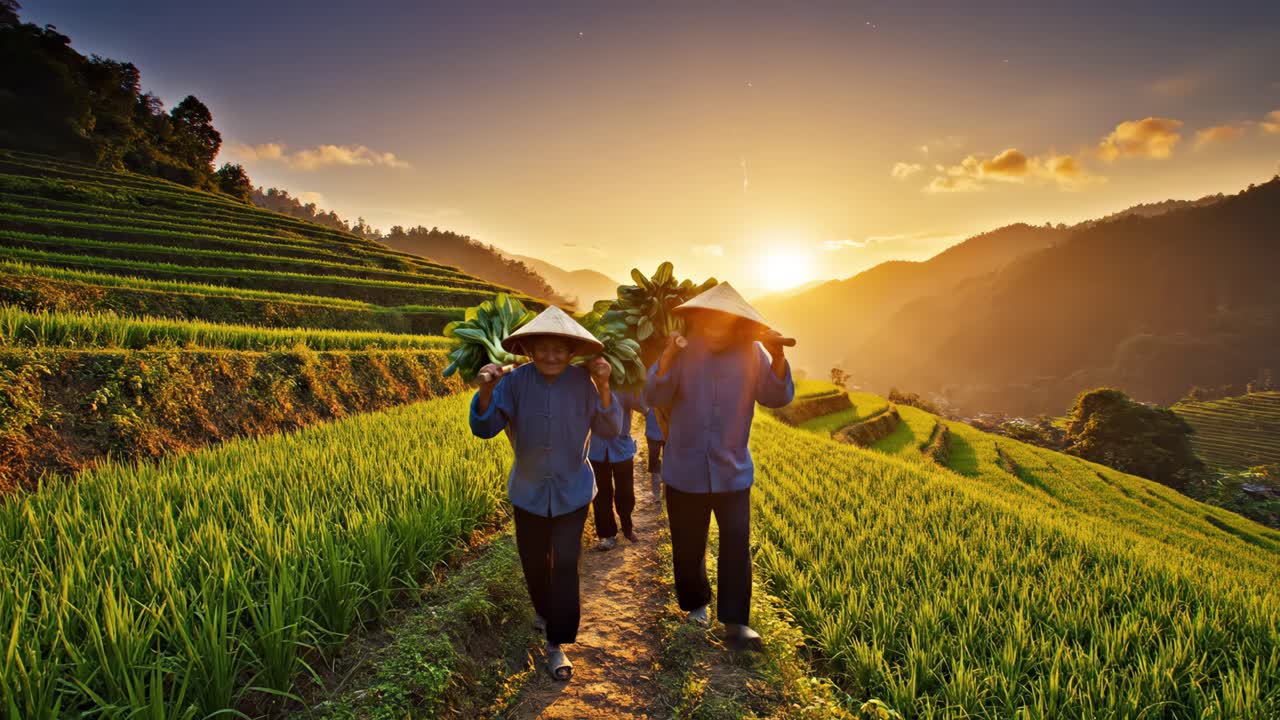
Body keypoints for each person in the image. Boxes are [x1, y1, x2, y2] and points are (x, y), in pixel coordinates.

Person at [470, 305, 621, 681]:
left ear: (572, 353)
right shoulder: (513, 382)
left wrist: (604, 385)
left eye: (559, 350)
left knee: (566, 562)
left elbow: (609, 428)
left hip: (572, 490)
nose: (550, 356)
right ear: (529, 351)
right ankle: (543, 609)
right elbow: (484, 427)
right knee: (534, 563)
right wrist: (486, 390)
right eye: (542, 349)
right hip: (529, 490)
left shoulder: (583, 383)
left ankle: (557, 643)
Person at [643, 282, 794, 651]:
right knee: (688, 544)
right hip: (684, 468)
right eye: (707, 319)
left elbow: (776, 397)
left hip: (732, 470)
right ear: (696, 319)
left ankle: (736, 622)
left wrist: (776, 357)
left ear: (737, 324)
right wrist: (665, 357)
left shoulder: (752, 353)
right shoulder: (681, 352)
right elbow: (654, 395)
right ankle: (696, 606)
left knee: (736, 544)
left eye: (723, 320)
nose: (714, 326)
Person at [587, 389, 645, 549]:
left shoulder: (624, 387)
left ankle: (627, 526)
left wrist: (636, 386)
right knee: (601, 494)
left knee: (625, 492)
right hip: (595, 449)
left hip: (622, 449)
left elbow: (643, 406)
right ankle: (607, 535)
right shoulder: (588, 386)